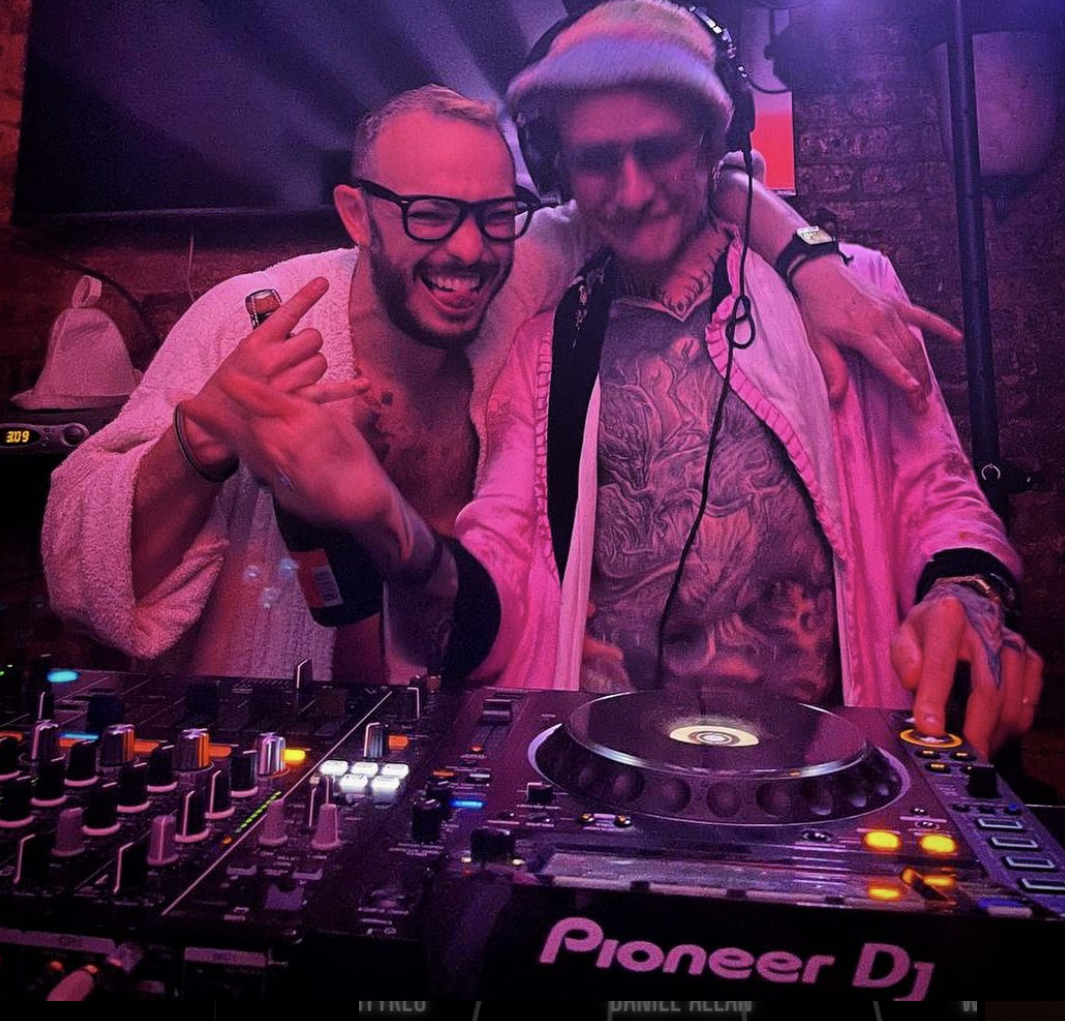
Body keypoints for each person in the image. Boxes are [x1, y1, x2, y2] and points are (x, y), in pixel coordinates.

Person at [216, 0, 1042, 758]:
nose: (632, 191)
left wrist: (966, 593)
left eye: (659, 151)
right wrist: (385, 522)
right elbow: (500, 584)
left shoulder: (850, 299)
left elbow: (936, 493)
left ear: (713, 146)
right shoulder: (546, 351)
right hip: (604, 772)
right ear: (561, 171)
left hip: (826, 769)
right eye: (597, 161)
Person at [43, 77, 963, 685]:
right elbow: (76, 571)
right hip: (277, 751)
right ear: (357, 215)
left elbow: (666, 187)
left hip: (462, 746)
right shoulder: (254, 320)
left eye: (494, 213)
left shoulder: (518, 285)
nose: (467, 249)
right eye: (430, 214)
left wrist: (810, 260)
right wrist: (199, 442)